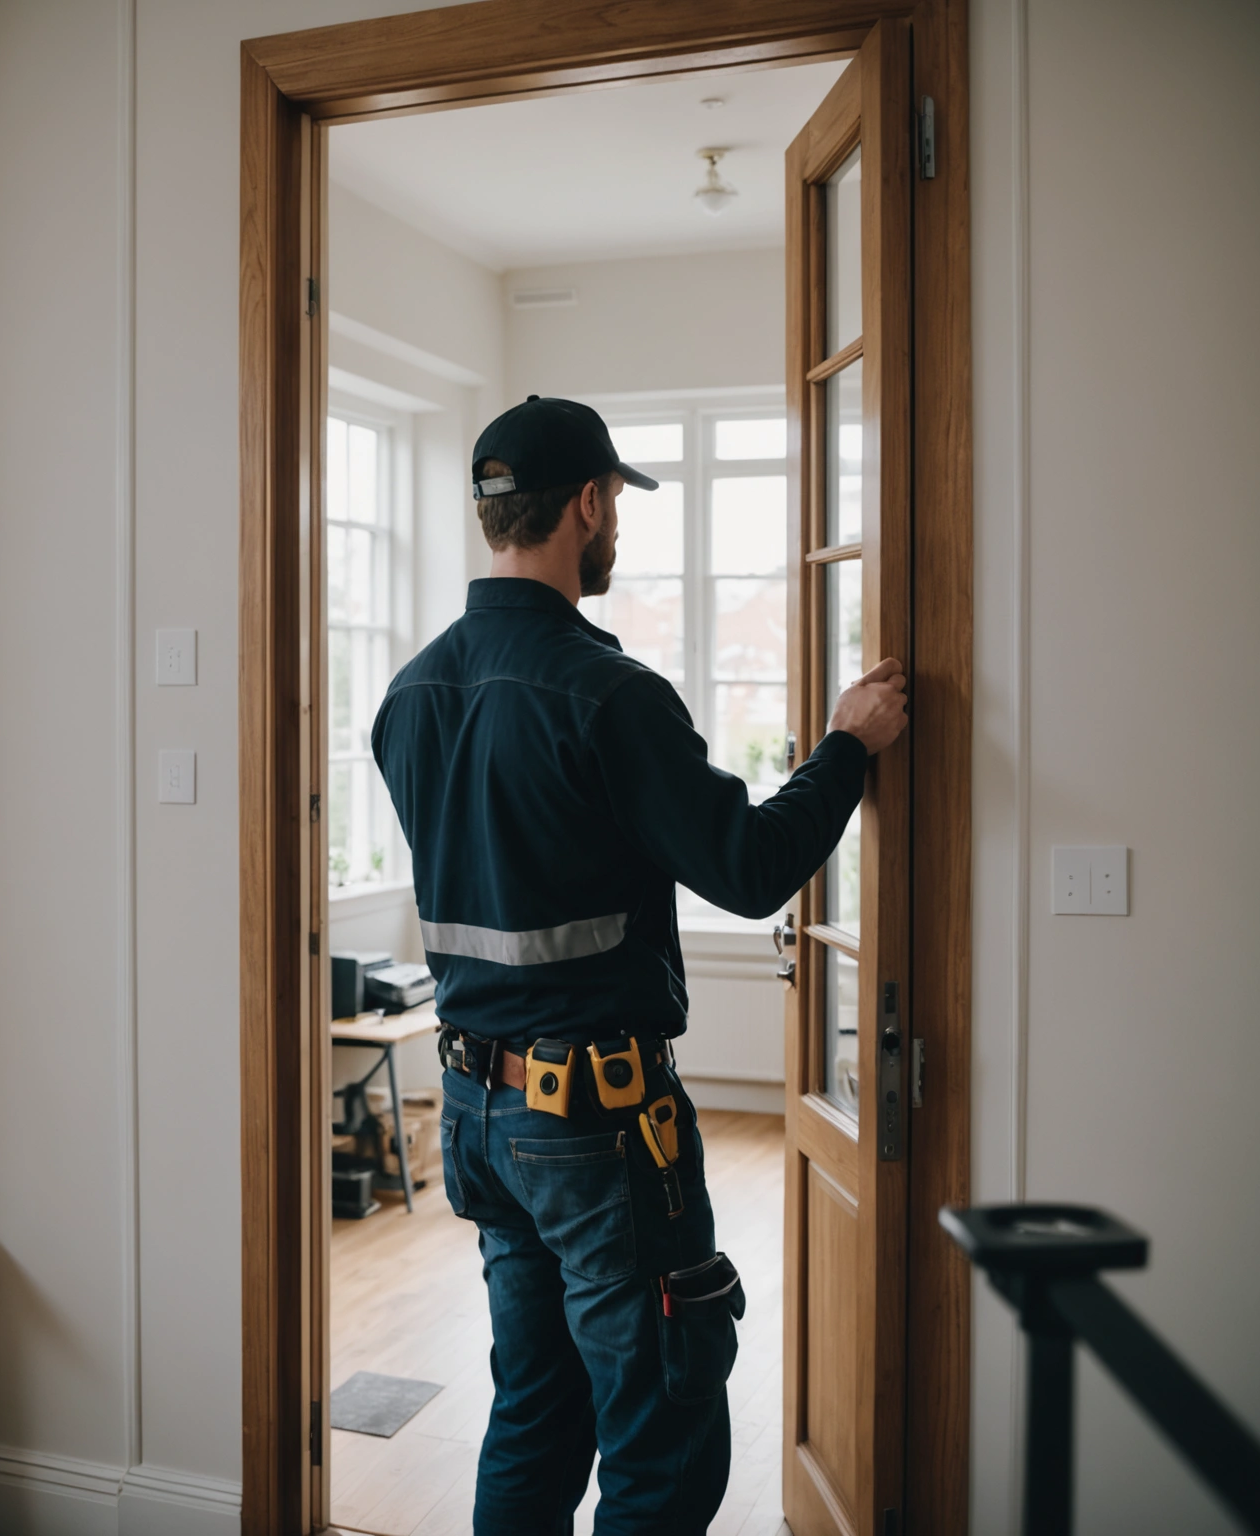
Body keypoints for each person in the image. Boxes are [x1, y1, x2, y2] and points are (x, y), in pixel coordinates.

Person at [371, 395, 908, 1536]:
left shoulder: (407, 696)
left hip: (476, 1112)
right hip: (596, 1129)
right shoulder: (609, 696)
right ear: (586, 504)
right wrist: (848, 745)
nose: (618, 526)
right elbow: (752, 865)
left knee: (534, 1411)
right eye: (615, 503)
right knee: (660, 1433)